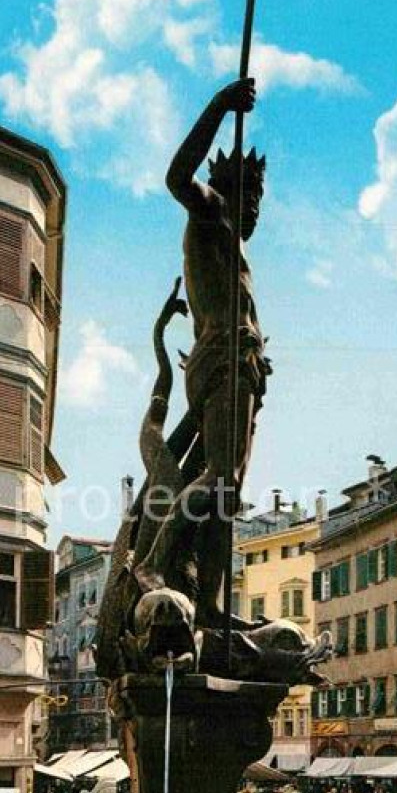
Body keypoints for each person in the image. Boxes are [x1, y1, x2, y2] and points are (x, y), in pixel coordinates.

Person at [134, 77, 271, 626]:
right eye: (250, 195)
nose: (255, 209)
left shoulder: (234, 246)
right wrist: (220, 103)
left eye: (260, 199)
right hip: (223, 360)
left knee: (226, 498)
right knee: (218, 477)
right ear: (228, 190)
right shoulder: (210, 213)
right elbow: (176, 176)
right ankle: (150, 564)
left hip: (245, 368)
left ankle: (211, 608)